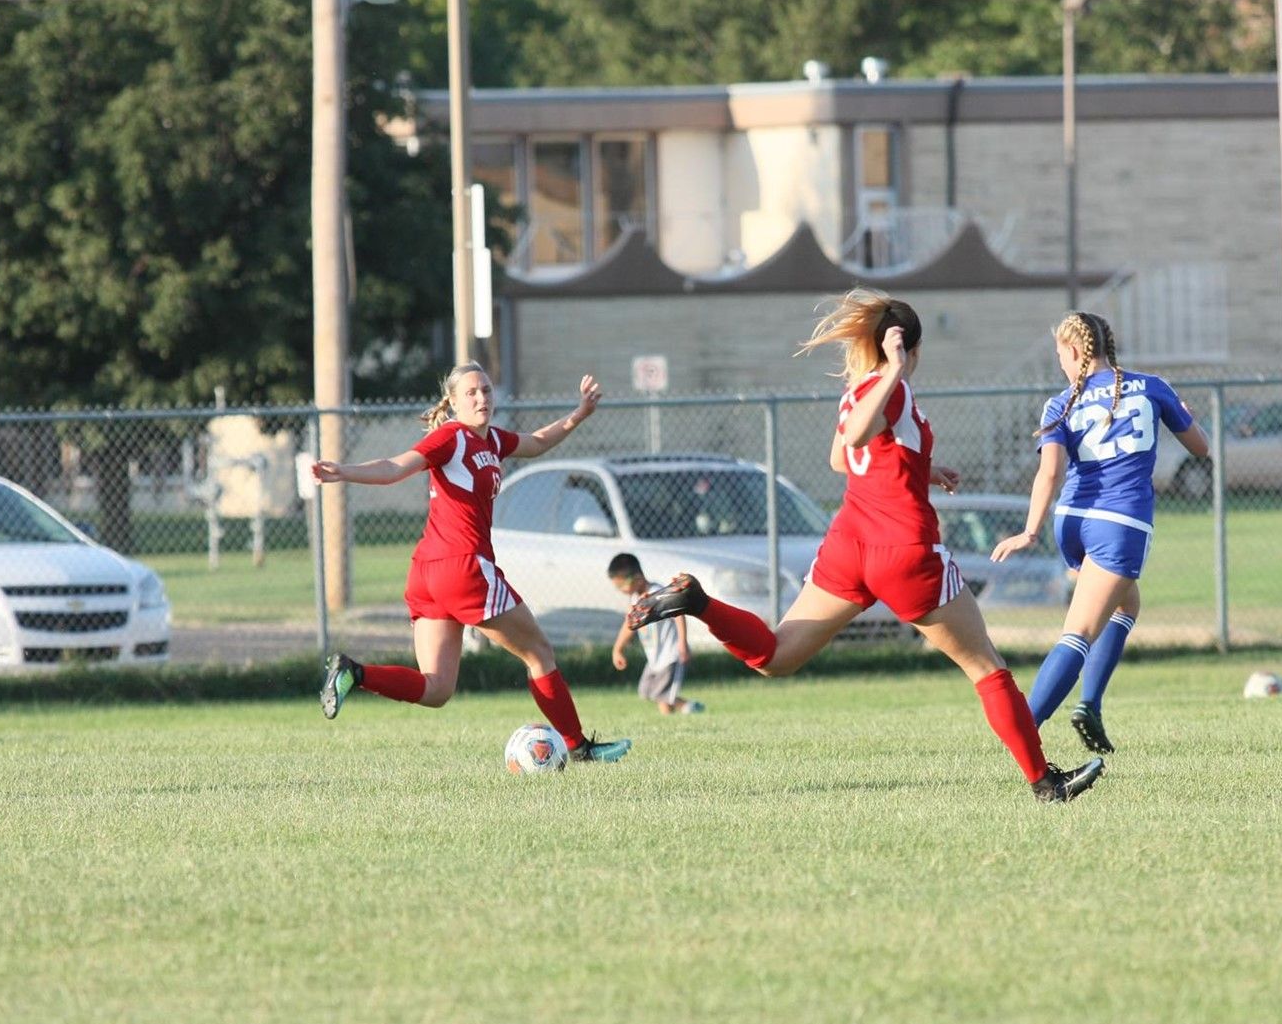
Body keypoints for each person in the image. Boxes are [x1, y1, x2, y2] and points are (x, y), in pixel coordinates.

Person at [626, 288, 1104, 803]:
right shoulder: (890, 386)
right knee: (986, 669)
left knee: (776, 657)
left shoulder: (858, 388)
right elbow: (855, 438)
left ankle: (698, 604)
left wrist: (921, 467)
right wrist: (895, 372)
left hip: (850, 544)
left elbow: (842, 458)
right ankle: (1044, 783)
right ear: (910, 349)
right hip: (903, 550)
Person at [309, 362, 631, 763]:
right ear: (455, 402)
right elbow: (395, 467)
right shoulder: (452, 438)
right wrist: (345, 472)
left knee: (437, 688)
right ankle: (579, 748)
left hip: (429, 572)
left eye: (487, 391)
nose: (482, 398)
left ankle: (354, 673)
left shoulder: (492, 439)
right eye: (472, 393)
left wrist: (578, 414)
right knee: (539, 653)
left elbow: (536, 442)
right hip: (463, 567)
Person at [991, 311, 1210, 754]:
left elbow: (1049, 472)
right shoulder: (1152, 387)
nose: (1061, 363)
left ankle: (1089, 705)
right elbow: (1201, 448)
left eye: (1059, 355)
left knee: (1126, 604)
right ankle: (1023, 738)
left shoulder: (1061, 403)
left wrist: (1031, 530)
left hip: (1072, 520)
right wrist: (1187, 415)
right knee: (1078, 633)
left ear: (1074, 352)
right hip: (1121, 523)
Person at [608, 552, 706, 717]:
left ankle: (671, 719)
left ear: (637, 578)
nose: (620, 591)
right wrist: (618, 648)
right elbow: (629, 623)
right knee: (646, 691)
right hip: (654, 657)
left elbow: (678, 614)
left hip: (670, 653)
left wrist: (682, 642)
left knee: (661, 694)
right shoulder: (635, 598)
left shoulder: (657, 592)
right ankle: (688, 707)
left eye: (621, 586)